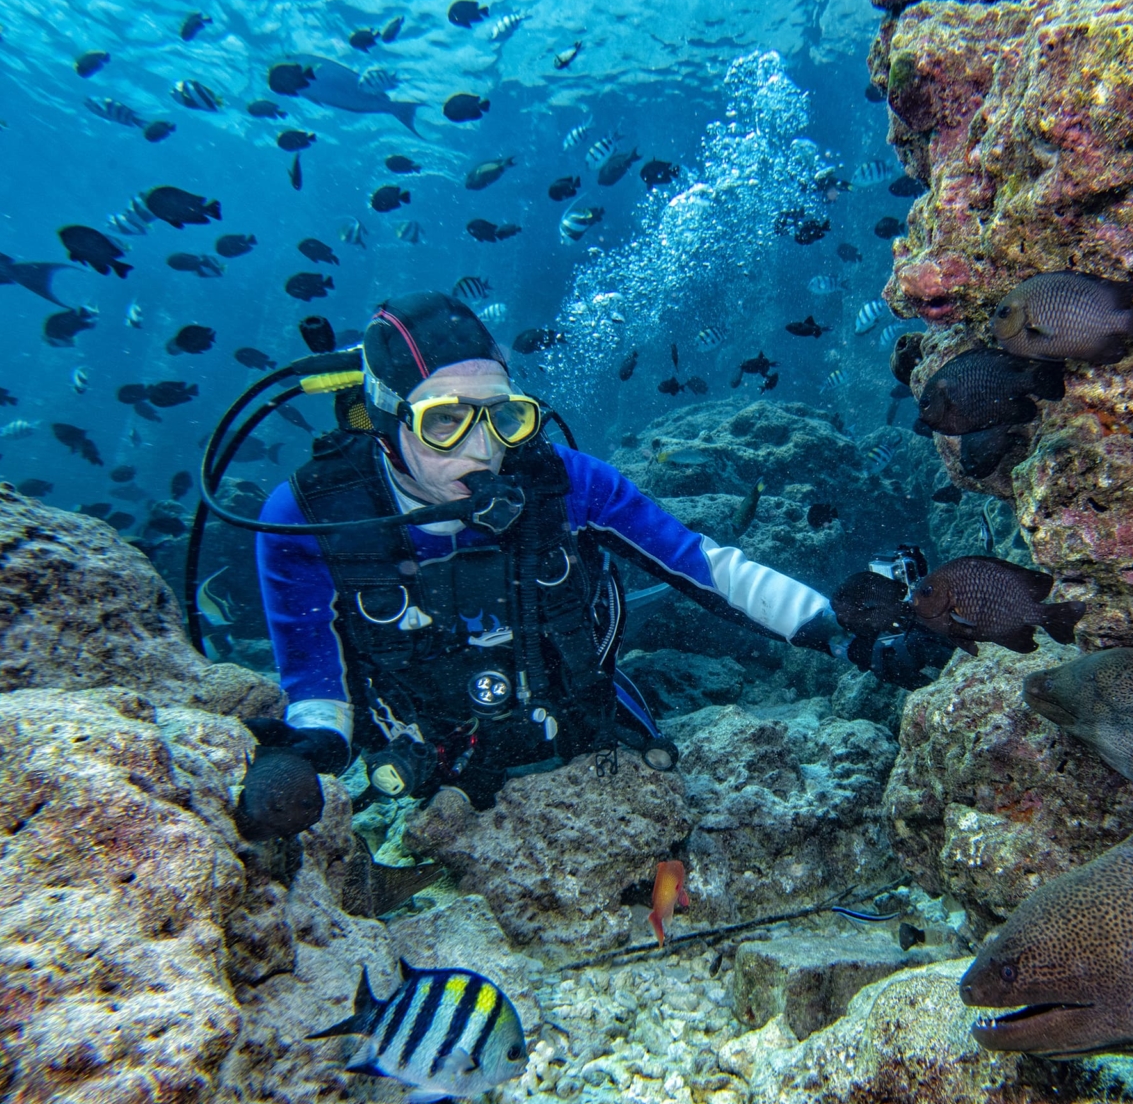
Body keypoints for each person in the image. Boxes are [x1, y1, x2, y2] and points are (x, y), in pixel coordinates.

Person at [238, 290, 846, 838]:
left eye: (503, 417)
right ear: (383, 418)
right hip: (431, 772)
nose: (484, 450)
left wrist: (838, 627)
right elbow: (316, 681)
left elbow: (702, 564)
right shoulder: (308, 515)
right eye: (443, 421)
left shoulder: (562, 481)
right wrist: (310, 750)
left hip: (585, 730)